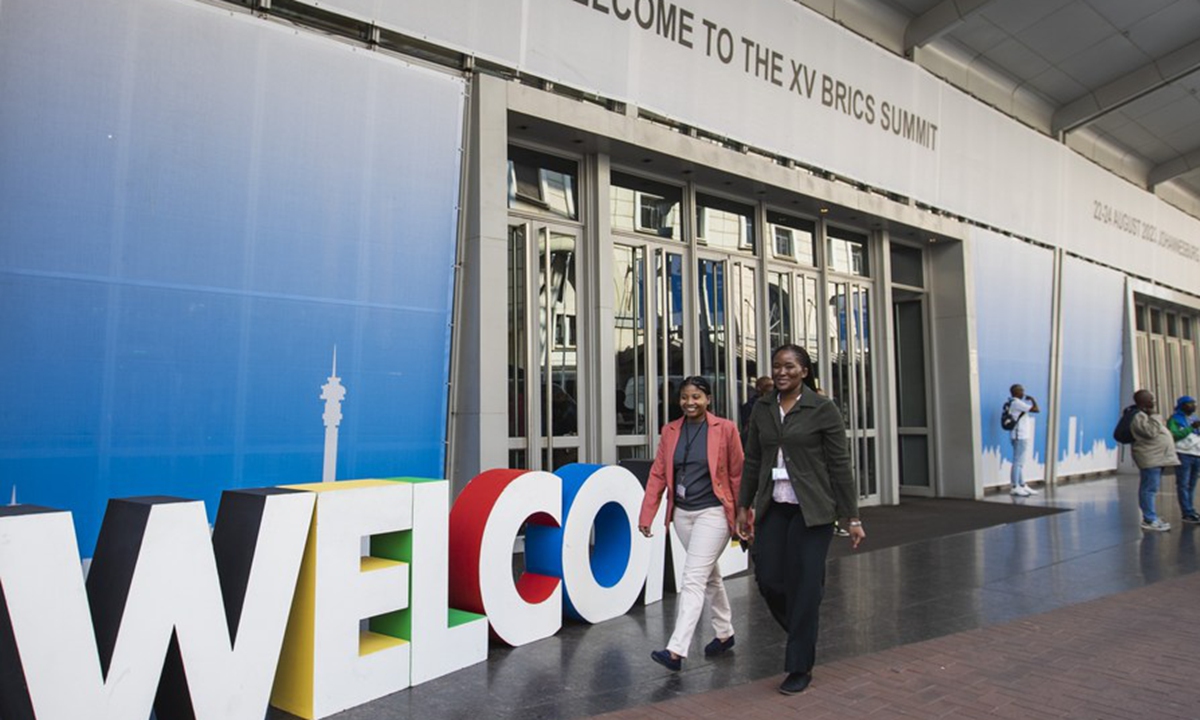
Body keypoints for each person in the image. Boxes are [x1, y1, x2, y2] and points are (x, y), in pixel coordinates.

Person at [736, 345, 864, 695]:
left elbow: (839, 465)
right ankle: (802, 631)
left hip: (814, 510)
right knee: (769, 579)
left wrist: (851, 516)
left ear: (804, 371)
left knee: (805, 585)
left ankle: (799, 665)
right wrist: (743, 506)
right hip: (774, 506)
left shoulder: (823, 409)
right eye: (776, 366)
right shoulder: (763, 408)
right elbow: (752, 460)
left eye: (790, 366)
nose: (781, 372)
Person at [639, 376, 744, 671]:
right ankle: (724, 633)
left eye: (696, 396)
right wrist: (648, 513)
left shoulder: (725, 429)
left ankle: (676, 650)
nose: (690, 402)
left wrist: (743, 515)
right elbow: (659, 473)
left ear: (708, 399)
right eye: (685, 397)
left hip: (714, 513)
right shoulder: (670, 431)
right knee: (709, 576)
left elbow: (737, 474)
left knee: (693, 578)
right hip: (682, 514)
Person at [1130, 389, 1179, 532]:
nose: (1153, 402)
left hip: (1157, 458)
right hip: (1150, 458)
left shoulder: (1146, 415)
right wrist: (1155, 416)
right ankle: (1149, 519)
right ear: (1143, 401)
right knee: (1149, 489)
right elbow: (1150, 432)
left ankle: (1151, 516)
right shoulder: (1138, 416)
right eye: (1151, 399)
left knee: (1152, 488)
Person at [1166, 395, 1200, 524]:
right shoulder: (1174, 419)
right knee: (1183, 484)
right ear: (1183, 405)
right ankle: (1186, 512)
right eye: (1190, 403)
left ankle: (1191, 509)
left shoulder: (1194, 418)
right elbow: (1173, 436)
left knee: (1192, 484)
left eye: (1194, 403)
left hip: (1196, 454)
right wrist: (1191, 427)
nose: (1194, 406)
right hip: (1183, 454)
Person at [1005, 384, 1040, 496]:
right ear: (1016, 392)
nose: (1023, 393)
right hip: (1019, 436)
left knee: (1020, 462)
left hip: (1018, 435)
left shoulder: (1012, 402)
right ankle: (1015, 486)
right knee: (1017, 462)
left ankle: (1022, 485)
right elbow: (1036, 409)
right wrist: (1033, 400)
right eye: (1021, 390)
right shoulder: (1017, 403)